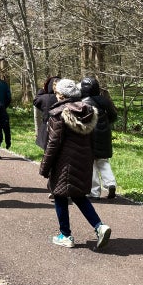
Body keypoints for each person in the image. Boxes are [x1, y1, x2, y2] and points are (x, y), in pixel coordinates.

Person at [39, 78, 111, 250]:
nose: (55, 96)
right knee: (78, 195)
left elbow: (53, 144)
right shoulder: (89, 112)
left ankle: (65, 235)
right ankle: (99, 227)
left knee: (59, 195)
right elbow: (92, 141)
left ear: (62, 96)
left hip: (64, 163)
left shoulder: (58, 114)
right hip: (83, 161)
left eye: (57, 93)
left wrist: (45, 166)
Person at [80, 76, 118, 199]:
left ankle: (94, 192)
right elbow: (113, 116)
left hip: (89, 135)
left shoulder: (83, 102)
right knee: (103, 161)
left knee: (91, 164)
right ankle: (110, 183)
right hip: (104, 134)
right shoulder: (104, 100)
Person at [34, 76, 60, 149]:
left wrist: (42, 90)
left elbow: (36, 100)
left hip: (48, 129)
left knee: (48, 151)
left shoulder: (46, 98)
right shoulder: (65, 98)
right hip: (62, 129)